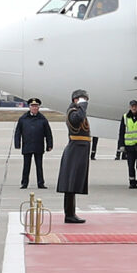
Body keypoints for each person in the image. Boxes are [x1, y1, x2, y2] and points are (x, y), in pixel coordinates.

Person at [57, 89, 92, 223]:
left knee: (74, 184)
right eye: (82, 99)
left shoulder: (78, 111)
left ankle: (71, 213)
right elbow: (77, 120)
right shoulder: (73, 112)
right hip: (75, 149)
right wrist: (82, 106)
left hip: (81, 149)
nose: (85, 102)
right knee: (70, 184)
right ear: (75, 100)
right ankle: (69, 214)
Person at [13, 98, 52, 189]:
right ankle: (24, 183)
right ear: (29, 107)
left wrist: (49, 145)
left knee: (39, 166)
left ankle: (40, 183)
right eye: (33, 106)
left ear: (38, 107)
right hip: (27, 145)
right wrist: (17, 144)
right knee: (26, 166)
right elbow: (18, 132)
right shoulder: (23, 118)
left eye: (36, 106)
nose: (34, 108)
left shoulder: (42, 119)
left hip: (38, 146)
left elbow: (48, 133)